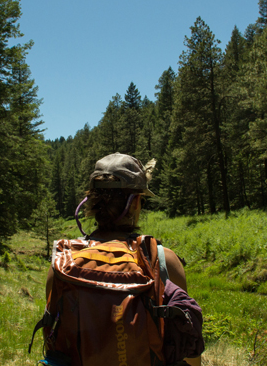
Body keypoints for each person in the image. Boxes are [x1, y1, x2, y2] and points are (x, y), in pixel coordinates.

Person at [44, 153, 202, 366]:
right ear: (136, 202)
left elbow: (53, 346)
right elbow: (191, 358)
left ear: (90, 202)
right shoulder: (164, 262)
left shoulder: (63, 264)